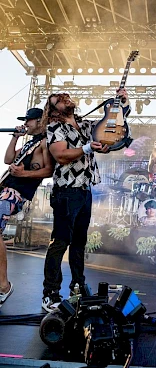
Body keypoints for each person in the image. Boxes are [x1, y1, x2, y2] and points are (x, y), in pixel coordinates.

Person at [41, 90, 130, 312]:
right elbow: (61, 155)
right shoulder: (54, 128)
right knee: (60, 242)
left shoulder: (85, 124)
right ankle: (50, 293)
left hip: (84, 189)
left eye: (65, 97)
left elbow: (110, 131)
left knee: (79, 242)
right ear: (53, 110)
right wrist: (89, 147)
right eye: (58, 101)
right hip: (66, 191)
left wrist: (122, 103)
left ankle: (77, 285)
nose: (65, 101)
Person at [0, 108, 54, 306]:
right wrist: (15, 138)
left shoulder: (45, 142)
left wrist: (22, 175)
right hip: (6, 188)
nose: (27, 124)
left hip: (17, 193)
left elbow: (48, 170)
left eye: (29, 121)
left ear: (40, 121)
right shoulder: (29, 143)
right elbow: (7, 159)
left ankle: (4, 286)